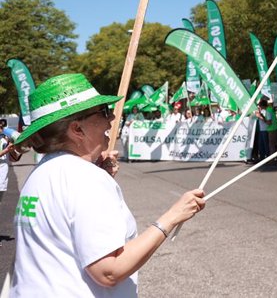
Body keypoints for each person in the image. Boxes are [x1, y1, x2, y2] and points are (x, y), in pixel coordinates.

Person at [11, 74, 205, 296]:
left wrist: (98, 177)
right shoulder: (84, 178)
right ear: (77, 130)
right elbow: (108, 271)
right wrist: (173, 216)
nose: (111, 117)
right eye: (103, 111)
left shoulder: (41, 173)